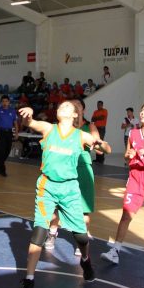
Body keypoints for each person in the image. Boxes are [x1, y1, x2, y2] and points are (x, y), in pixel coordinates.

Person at [17, 101, 110, 288]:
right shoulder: (49, 128)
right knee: (39, 233)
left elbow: (107, 150)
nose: (62, 107)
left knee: (82, 237)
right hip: (47, 186)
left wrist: (100, 143)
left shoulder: (81, 136)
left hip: (70, 189)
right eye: (61, 105)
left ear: (75, 115)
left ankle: (85, 261)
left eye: (67, 106)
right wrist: (28, 114)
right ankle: (29, 279)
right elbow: (29, 122)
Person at [101, 102, 144, 265]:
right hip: (136, 175)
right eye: (141, 110)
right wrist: (129, 155)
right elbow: (126, 156)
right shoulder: (133, 133)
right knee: (127, 214)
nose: (142, 113)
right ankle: (116, 250)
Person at [43, 100, 111, 257]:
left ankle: (82, 240)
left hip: (83, 170)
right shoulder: (61, 127)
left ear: (81, 110)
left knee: (83, 208)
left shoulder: (89, 126)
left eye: (76, 105)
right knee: (56, 206)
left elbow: (100, 148)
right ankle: (52, 232)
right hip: (65, 168)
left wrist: (99, 144)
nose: (72, 107)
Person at [0, 95, 18, 176]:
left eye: (6, 101)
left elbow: (16, 123)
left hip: (9, 133)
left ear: (9, 102)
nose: (4, 103)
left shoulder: (12, 111)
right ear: (1, 102)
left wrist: (16, 133)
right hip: (1, 132)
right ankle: (2, 170)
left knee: (7, 150)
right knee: (1, 151)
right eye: (3, 101)